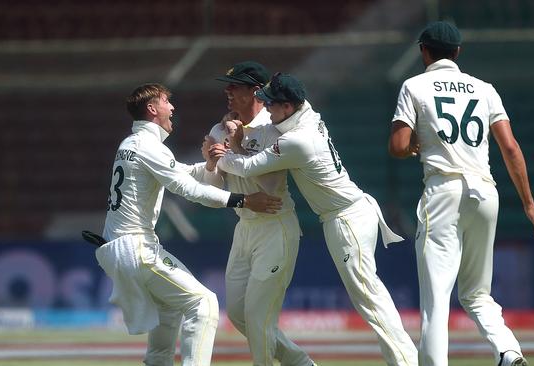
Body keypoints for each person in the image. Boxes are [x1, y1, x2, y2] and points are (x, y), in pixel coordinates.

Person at [211, 73, 419, 366]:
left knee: (368, 296)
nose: (266, 110)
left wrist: (221, 153)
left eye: (271, 104)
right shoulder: (305, 114)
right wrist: (240, 130)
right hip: (349, 214)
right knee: (368, 294)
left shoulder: (299, 140)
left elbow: (247, 168)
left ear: (287, 107)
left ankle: (406, 362)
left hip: (347, 219)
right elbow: (264, 131)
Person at [388, 21, 534, 366]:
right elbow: (509, 147)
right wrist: (530, 204)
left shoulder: (414, 85)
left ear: (423, 51)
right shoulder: (484, 88)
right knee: (477, 293)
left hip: (443, 191)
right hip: (485, 192)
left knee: (436, 300)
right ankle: (508, 351)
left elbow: (398, 145)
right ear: (458, 52)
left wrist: (417, 144)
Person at [96, 83, 282, 366]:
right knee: (204, 304)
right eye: (166, 102)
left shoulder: (131, 144)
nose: (172, 108)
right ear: (152, 109)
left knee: (170, 307)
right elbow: (189, 190)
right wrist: (243, 200)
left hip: (123, 246)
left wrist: (209, 164)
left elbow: (179, 171)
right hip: (136, 248)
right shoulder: (148, 146)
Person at [202, 61, 315, 366]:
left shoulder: (272, 126)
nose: (227, 91)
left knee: (258, 316)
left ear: (254, 90)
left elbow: (269, 185)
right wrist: (212, 165)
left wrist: (234, 147)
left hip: (275, 225)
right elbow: (213, 189)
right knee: (239, 314)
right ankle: (301, 363)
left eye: (235, 86)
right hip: (245, 228)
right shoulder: (219, 128)